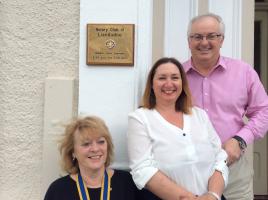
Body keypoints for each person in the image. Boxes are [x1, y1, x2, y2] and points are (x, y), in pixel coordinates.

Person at [183, 13, 268, 200]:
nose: (204, 42)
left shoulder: (243, 72)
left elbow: (263, 111)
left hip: (234, 171)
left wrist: (240, 139)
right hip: (188, 170)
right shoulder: (175, 77)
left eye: (211, 36)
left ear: (222, 40)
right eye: (197, 37)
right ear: (189, 41)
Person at [127, 57, 228, 200]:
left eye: (175, 77)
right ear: (151, 84)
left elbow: (220, 158)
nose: (169, 84)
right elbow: (143, 169)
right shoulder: (140, 119)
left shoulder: (199, 115)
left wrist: (213, 195)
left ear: (182, 83)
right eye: (162, 78)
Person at [44, 116, 140, 200]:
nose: (95, 149)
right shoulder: (58, 191)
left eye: (101, 142)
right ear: (73, 151)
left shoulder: (128, 183)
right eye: (86, 144)